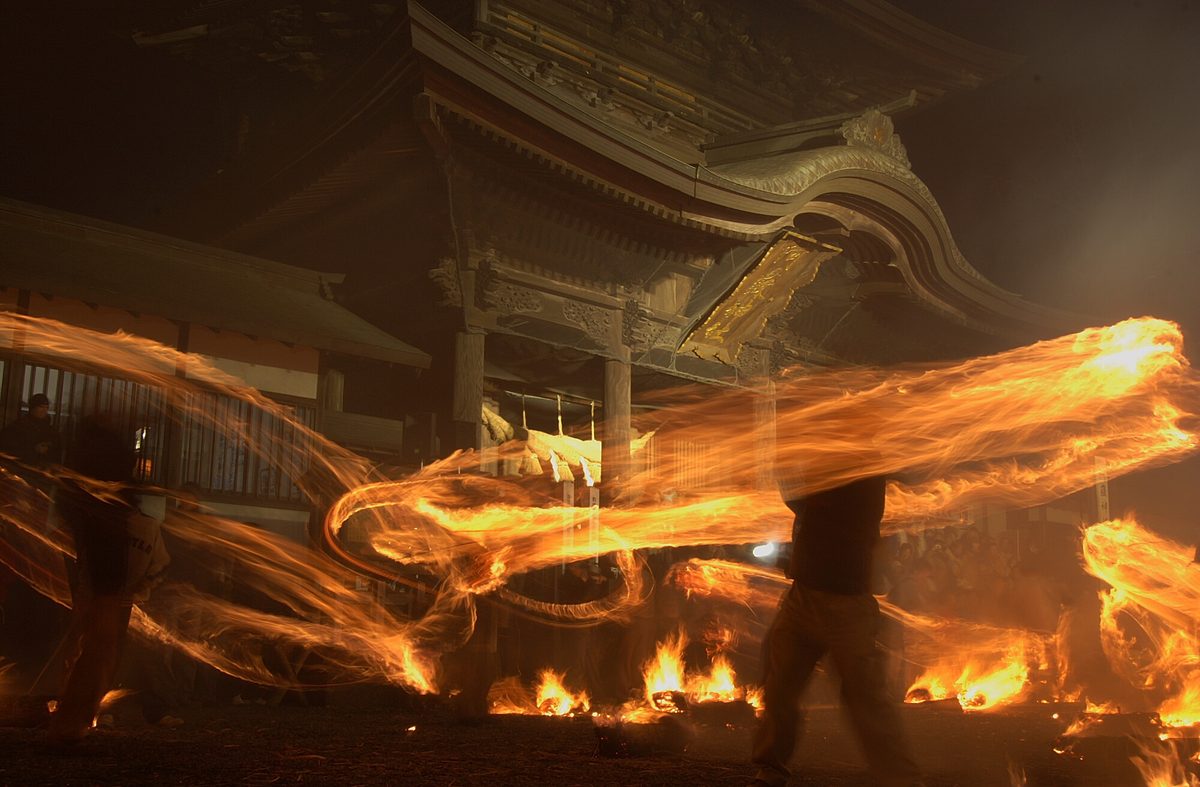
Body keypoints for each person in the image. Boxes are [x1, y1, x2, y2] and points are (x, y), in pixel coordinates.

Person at [750, 473, 923, 787]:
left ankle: (901, 780)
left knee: (866, 697)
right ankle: (770, 769)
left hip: (846, 603)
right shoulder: (831, 462)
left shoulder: (861, 474)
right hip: (805, 594)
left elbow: (800, 498)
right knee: (780, 688)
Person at [46, 413, 137, 743]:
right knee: (100, 644)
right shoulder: (105, 499)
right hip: (105, 568)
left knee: (93, 643)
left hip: (98, 566)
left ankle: (74, 718)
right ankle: (72, 721)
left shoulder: (82, 488)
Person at [0, 393, 63, 480]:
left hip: (44, 476)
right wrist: (33, 450)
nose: (44, 410)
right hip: (22, 474)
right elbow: (7, 450)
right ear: (32, 408)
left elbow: (58, 451)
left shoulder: (51, 431)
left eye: (46, 407)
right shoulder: (17, 428)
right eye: (41, 407)